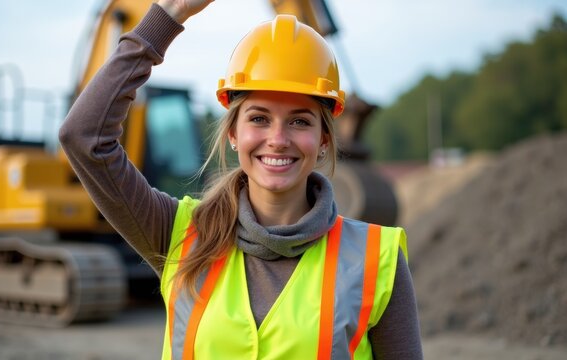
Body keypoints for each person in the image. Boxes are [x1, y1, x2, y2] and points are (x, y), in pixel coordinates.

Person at [59, 0, 423, 358]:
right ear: (233, 133)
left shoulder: (377, 261)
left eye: (299, 121)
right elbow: (84, 137)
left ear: (324, 139)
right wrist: (167, 16)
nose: (278, 139)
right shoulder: (177, 234)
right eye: (259, 118)